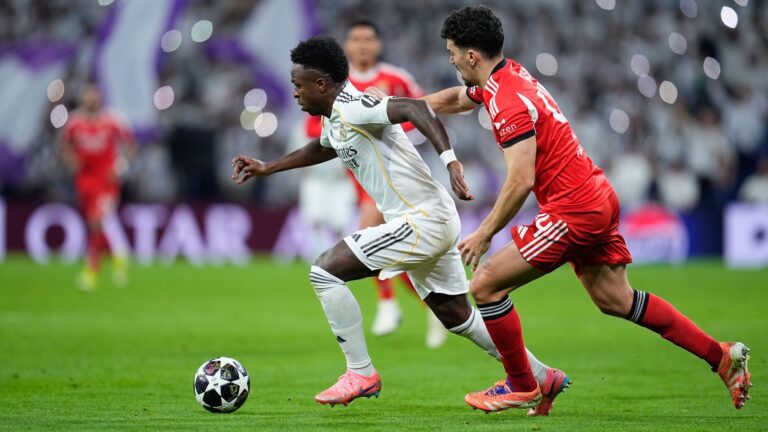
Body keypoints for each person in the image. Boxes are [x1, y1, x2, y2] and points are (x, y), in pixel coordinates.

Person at [418, 5, 751, 412]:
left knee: (486, 285)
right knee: (616, 299)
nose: (450, 60)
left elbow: (521, 180)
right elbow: (457, 99)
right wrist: (402, 110)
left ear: (471, 55)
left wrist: (485, 232)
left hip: (572, 208)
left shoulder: (507, 101)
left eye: (452, 52)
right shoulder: (509, 76)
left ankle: (522, 384)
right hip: (595, 194)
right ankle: (721, 356)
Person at [232, 36, 568, 411]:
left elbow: (413, 107)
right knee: (456, 316)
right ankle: (543, 377)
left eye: (298, 85)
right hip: (431, 218)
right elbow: (326, 145)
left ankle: (360, 372)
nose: (295, 93)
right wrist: (270, 167)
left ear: (321, 84)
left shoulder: (356, 106)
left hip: (421, 221)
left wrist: (450, 161)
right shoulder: (335, 117)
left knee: (324, 271)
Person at [304, 20, 446, 346]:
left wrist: (384, 124)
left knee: (367, 232)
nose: (363, 45)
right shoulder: (334, 84)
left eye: (369, 38)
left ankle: (387, 304)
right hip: (358, 177)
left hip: (391, 171)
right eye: (356, 39)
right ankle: (434, 307)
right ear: (347, 46)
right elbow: (315, 129)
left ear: (378, 45)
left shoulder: (397, 78)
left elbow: (421, 111)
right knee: (395, 257)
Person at [59, 82, 135, 291]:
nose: (90, 98)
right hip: (85, 180)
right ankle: (117, 255)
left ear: (100, 97)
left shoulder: (113, 121)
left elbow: (130, 145)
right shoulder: (75, 123)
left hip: (106, 181)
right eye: (87, 95)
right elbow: (64, 146)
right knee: (94, 223)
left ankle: (91, 271)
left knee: (96, 221)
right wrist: (71, 161)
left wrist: (120, 166)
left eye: (93, 94)